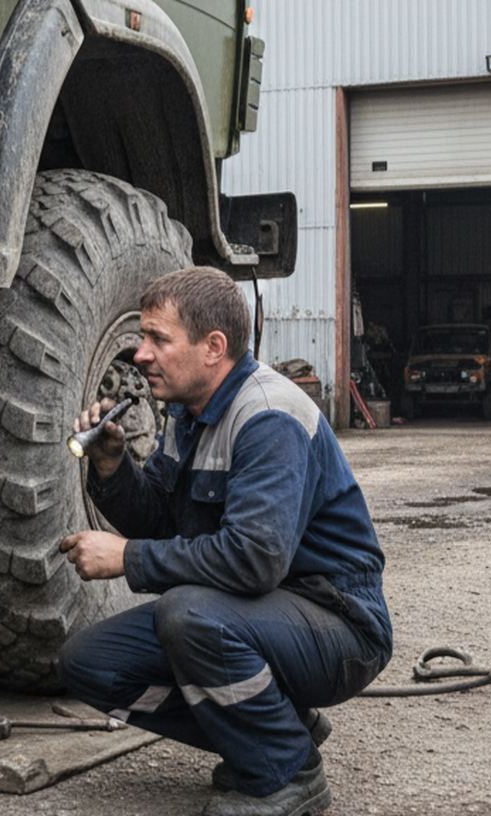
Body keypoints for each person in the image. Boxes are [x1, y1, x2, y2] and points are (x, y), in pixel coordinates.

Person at [57, 267, 393, 816]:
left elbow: (255, 560)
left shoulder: (268, 417)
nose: (140, 354)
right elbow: (164, 519)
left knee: (188, 613)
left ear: (213, 347)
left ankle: (286, 773)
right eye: (143, 338)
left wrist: (127, 559)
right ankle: (276, 728)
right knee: (89, 663)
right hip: (257, 614)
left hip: (337, 623)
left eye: (158, 339)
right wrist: (113, 466)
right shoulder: (189, 415)